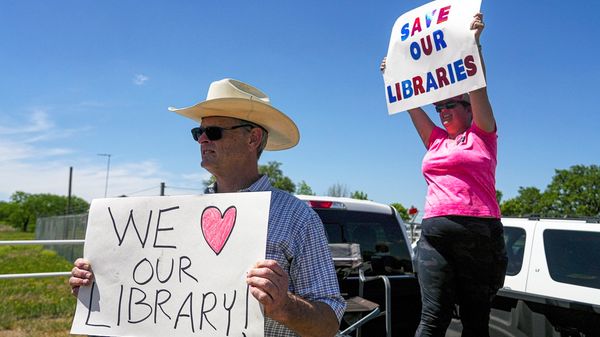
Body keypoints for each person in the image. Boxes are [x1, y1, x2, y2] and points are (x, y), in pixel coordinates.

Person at [69, 78, 346, 337]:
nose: (203, 139)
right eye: (198, 132)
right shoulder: (178, 217)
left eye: (213, 131)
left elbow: (329, 322)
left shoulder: (296, 217)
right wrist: (99, 285)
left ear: (253, 139)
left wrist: (284, 305)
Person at [381, 13, 507, 337]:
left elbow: (478, 86)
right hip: (435, 237)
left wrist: (473, 45)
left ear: (469, 109)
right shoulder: (435, 139)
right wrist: (393, 75)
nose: (443, 110)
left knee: (476, 322)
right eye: (439, 107)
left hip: (479, 235)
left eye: (452, 103)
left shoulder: (483, 134)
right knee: (432, 319)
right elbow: (410, 104)